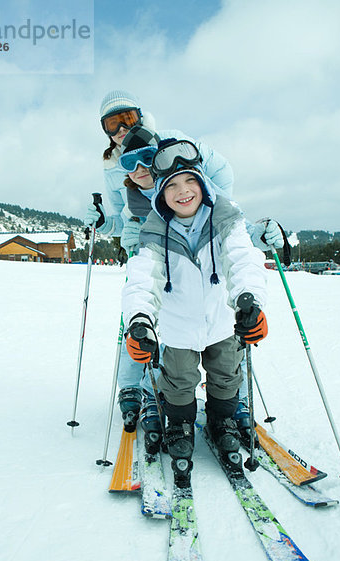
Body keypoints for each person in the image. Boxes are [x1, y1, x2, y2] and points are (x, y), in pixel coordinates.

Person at [84, 90, 237, 444]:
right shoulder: (114, 165)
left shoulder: (169, 147)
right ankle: (134, 387)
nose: (122, 129)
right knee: (139, 313)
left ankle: (230, 396)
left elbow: (217, 180)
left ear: (142, 116)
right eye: (112, 124)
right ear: (105, 131)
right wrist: (106, 223)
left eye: (128, 119)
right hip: (145, 242)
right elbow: (122, 218)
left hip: (189, 237)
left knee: (214, 311)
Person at [117, 125, 283, 448]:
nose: (184, 191)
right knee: (178, 382)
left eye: (190, 181)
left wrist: (249, 299)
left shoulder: (224, 217)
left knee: (226, 375)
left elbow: (242, 258)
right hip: (178, 329)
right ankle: (180, 424)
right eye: (173, 186)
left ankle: (222, 420)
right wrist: (139, 318)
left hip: (221, 321)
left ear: (203, 183)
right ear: (162, 194)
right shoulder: (154, 230)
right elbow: (141, 277)